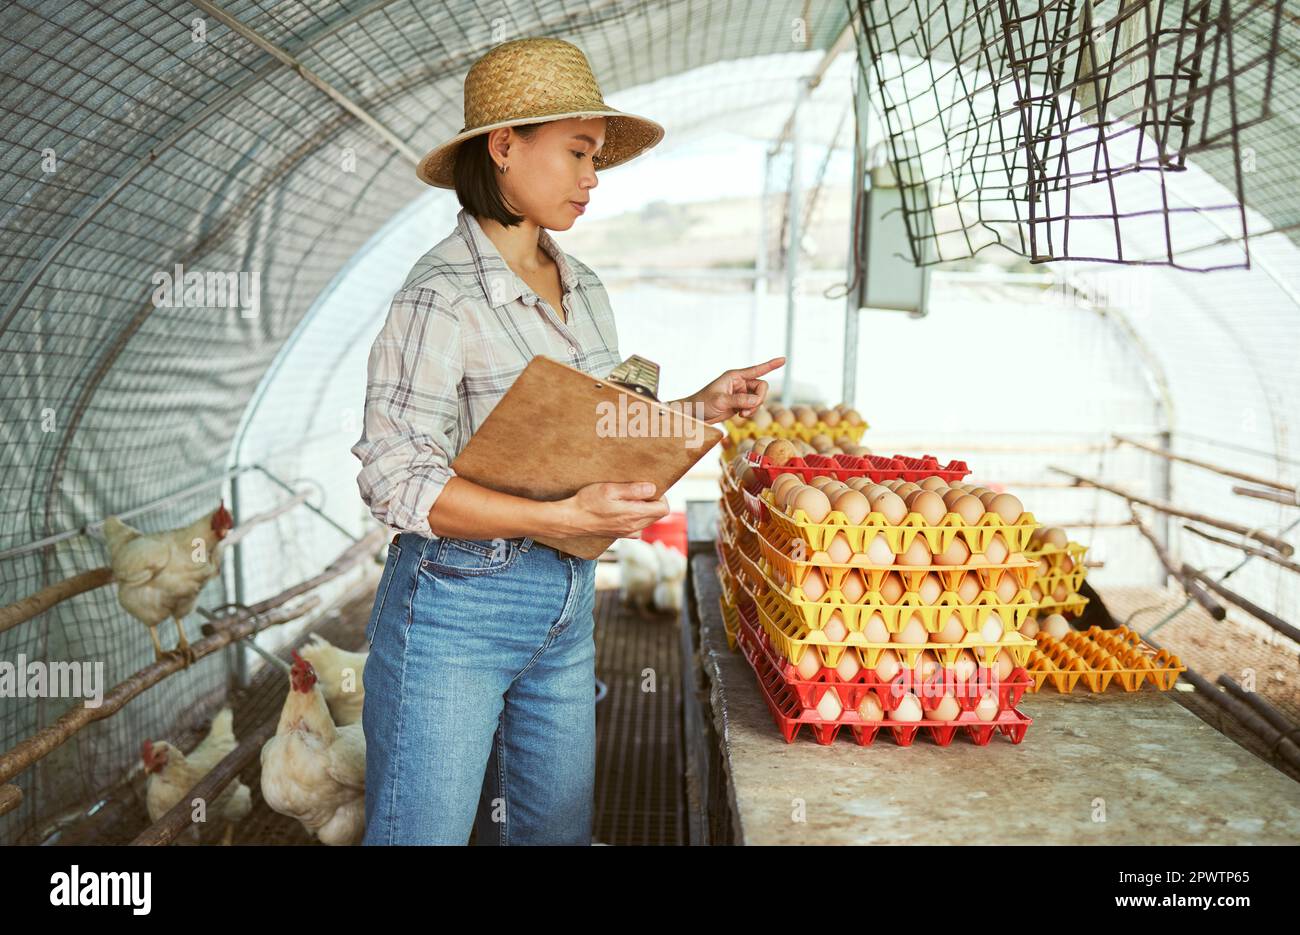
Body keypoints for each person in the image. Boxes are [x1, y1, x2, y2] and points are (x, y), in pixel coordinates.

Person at [351, 36, 783, 845]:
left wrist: (698, 405)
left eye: (597, 157)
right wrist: (555, 520)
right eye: (578, 153)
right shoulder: (439, 297)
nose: (593, 177)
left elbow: (601, 423)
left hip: (566, 606)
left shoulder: (582, 286)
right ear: (504, 147)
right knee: (423, 834)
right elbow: (393, 477)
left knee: (554, 833)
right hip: (455, 607)